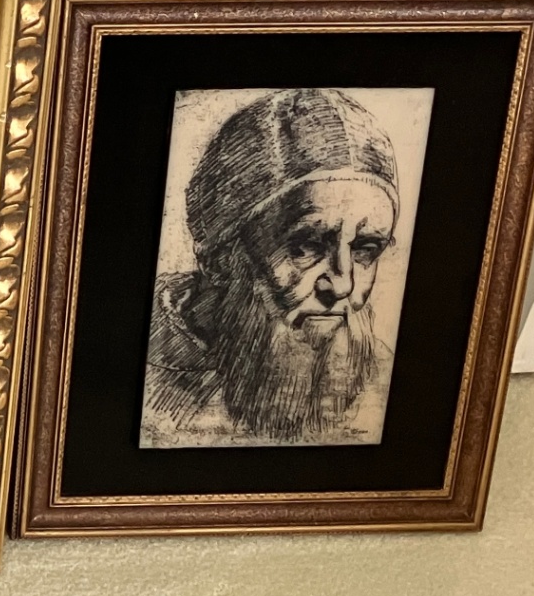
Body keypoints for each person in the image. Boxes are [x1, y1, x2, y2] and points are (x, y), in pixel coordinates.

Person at [142, 89, 399, 447]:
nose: (342, 284)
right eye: (306, 246)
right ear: (219, 260)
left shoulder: (383, 377)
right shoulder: (138, 379)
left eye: (364, 249)